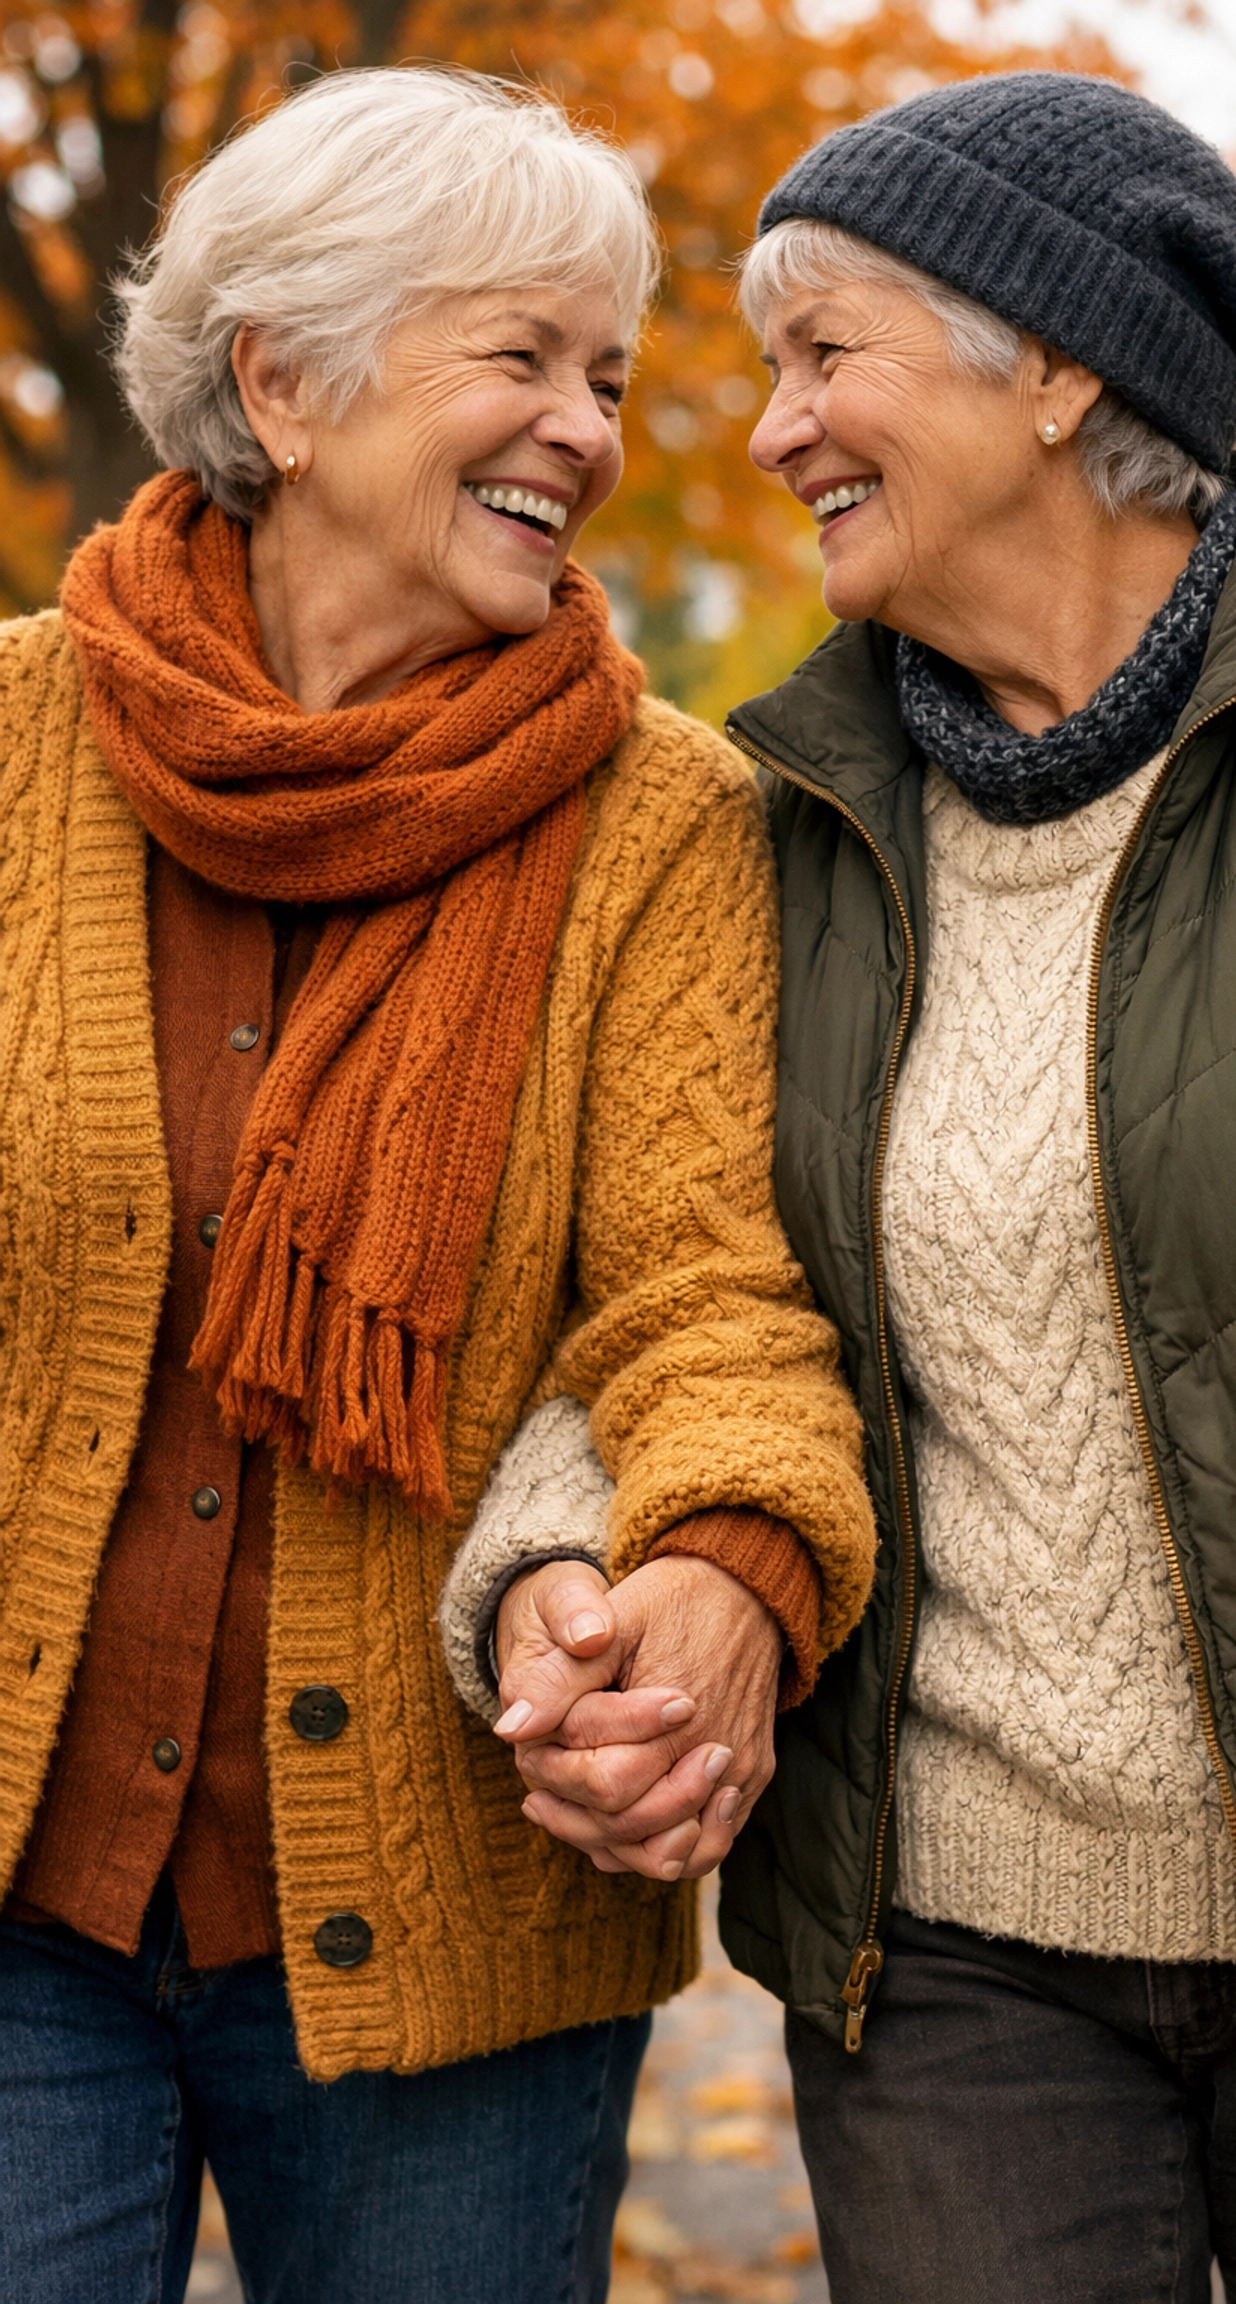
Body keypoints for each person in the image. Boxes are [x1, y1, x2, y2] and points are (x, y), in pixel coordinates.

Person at [476, 68, 1236, 2304]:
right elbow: (677, 1293)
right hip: (950, 1965)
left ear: (1056, 367)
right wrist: (568, 1582)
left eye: (823, 353)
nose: (772, 431)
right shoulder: (781, 825)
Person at [0, 64, 874, 2304]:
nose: (584, 427)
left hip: (450, 1940)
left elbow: (705, 1296)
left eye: (606, 372)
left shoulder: (662, 821)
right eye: (518, 356)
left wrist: (725, 1583)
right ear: (280, 384)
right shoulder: (10, 751)